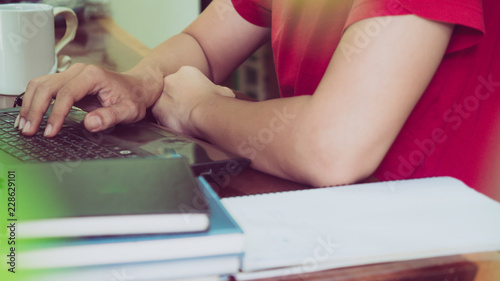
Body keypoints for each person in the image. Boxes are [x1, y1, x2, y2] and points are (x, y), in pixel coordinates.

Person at [15, 0, 500, 196]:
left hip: (439, 251)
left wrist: (196, 109)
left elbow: (331, 148)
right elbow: (206, 44)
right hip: (321, 214)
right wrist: (140, 84)